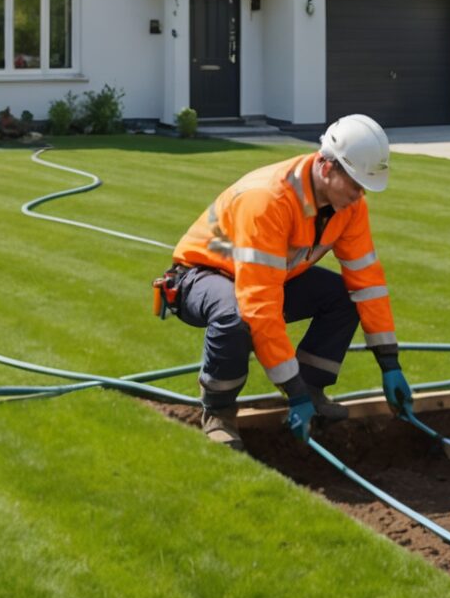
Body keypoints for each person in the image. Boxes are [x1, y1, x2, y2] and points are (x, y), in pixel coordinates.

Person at [164, 114, 415, 447]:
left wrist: (389, 363)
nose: (360, 195)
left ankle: (314, 388)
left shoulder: (350, 208)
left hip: (266, 278)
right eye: (356, 184)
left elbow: (366, 282)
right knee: (235, 316)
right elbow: (259, 303)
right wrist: (291, 391)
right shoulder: (268, 200)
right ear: (327, 168)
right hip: (200, 276)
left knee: (343, 297)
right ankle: (219, 412)